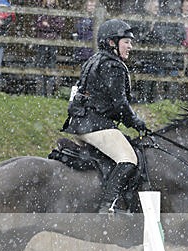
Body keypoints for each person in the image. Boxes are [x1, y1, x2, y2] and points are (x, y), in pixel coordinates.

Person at [62, 19, 148, 214]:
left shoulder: (93, 60)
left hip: (81, 123)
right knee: (128, 159)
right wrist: (136, 122)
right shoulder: (114, 66)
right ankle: (108, 205)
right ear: (112, 43)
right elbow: (120, 104)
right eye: (126, 41)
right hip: (96, 126)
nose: (130, 46)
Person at [133, 0, 184, 102]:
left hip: (165, 56)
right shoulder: (142, 18)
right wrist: (149, 31)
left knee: (169, 80)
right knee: (148, 80)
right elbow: (139, 37)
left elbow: (180, 36)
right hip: (149, 56)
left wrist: (169, 45)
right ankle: (146, 101)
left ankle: (168, 103)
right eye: (153, 4)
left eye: (157, 4)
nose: (156, 6)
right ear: (147, 5)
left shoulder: (167, 18)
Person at [33, 0, 65, 97]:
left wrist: (48, 24)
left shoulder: (58, 11)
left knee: (51, 66)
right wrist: (46, 25)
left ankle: (49, 92)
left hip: (53, 42)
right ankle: (40, 93)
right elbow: (37, 24)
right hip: (41, 42)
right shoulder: (41, 10)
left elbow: (60, 26)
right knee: (40, 65)